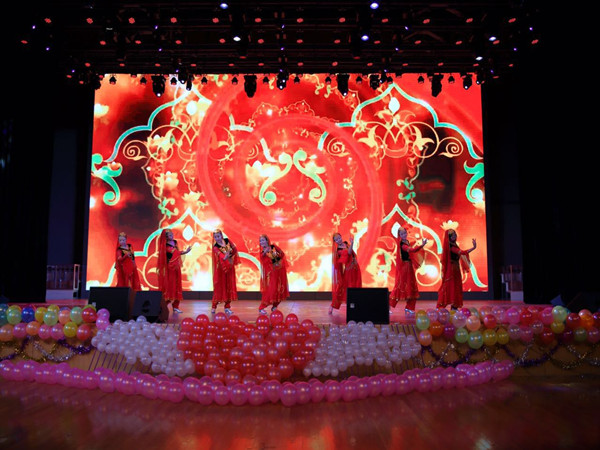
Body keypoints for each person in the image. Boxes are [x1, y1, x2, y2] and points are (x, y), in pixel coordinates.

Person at [389, 227, 427, 315]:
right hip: (404, 269)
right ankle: (389, 306)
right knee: (400, 287)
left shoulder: (407, 242)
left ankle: (409, 308)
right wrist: (422, 245)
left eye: (405, 233)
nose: (404, 235)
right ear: (399, 235)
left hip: (409, 267)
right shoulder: (402, 244)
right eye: (402, 234)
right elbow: (412, 250)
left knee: (411, 288)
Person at [437, 228, 477, 310]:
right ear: (449, 237)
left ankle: (454, 306)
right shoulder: (451, 246)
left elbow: (461, 252)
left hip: (455, 268)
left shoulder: (454, 245)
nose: (455, 236)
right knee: (451, 286)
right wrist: (473, 248)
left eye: (455, 234)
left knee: (455, 286)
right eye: (453, 235)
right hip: (451, 270)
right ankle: (442, 306)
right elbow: (462, 252)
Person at [157, 229, 191, 314]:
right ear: (166, 237)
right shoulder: (165, 245)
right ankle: (163, 306)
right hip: (170, 268)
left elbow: (177, 253)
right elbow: (175, 252)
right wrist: (185, 251)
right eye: (169, 235)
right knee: (170, 286)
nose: (171, 236)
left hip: (176, 267)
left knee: (177, 285)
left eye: (172, 234)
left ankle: (176, 306)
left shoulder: (175, 242)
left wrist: (185, 252)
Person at [330, 232, 362, 314]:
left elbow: (353, 255)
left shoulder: (346, 244)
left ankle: (355, 306)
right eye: (336, 239)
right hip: (349, 271)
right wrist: (352, 243)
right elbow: (349, 253)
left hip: (355, 268)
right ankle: (333, 305)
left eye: (339, 238)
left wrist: (350, 244)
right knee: (345, 288)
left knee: (356, 286)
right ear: (335, 242)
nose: (339, 240)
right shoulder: (339, 250)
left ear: (341, 237)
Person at [258, 234, 289, 314]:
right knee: (271, 290)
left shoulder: (273, 247)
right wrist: (265, 253)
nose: (261, 242)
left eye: (263, 240)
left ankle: (275, 306)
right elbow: (264, 262)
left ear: (267, 240)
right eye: (260, 241)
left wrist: (277, 257)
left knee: (279, 289)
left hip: (279, 272)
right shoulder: (262, 253)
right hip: (271, 275)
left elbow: (282, 254)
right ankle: (261, 307)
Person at [211, 229, 239, 315]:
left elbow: (234, 249)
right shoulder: (215, 247)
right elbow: (222, 256)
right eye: (215, 237)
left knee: (229, 286)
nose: (217, 238)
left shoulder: (227, 241)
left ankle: (227, 307)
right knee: (219, 287)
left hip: (229, 266)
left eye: (218, 236)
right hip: (221, 269)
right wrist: (226, 256)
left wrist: (230, 255)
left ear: (221, 236)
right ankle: (214, 306)